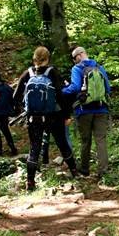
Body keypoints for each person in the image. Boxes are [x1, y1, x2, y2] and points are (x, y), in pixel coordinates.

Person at [13, 46, 78, 191]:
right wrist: (67, 115)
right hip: (54, 116)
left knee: (34, 148)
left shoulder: (27, 73)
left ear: (34, 59)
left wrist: (26, 108)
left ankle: (30, 182)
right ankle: (75, 173)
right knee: (62, 143)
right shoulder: (52, 72)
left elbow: (15, 96)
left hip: (34, 118)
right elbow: (61, 96)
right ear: (48, 58)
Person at [62, 46, 111, 178]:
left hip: (84, 110)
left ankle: (84, 169)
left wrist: (63, 90)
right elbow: (108, 88)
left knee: (86, 140)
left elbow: (75, 87)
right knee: (101, 140)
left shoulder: (77, 68)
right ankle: (103, 171)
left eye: (74, 58)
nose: (74, 61)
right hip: (101, 108)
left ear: (78, 56)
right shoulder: (99, 67)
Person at [0, 70, 17, 156]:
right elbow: (13, 98)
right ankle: (12, 147)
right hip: (5, 112)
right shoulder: (6, 87)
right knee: (5, 130)